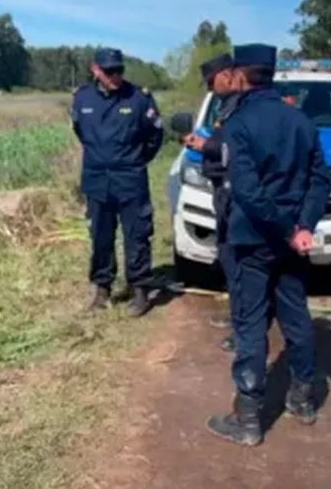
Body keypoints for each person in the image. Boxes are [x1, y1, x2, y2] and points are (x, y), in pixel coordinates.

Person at [207, 43, 331, 447]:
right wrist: (303, 226)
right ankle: (302, 400)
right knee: (297, 319)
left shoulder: (240, 123)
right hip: (292, 243)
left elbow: (248, 192)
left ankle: (248, 420)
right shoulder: (301, 121)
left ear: (241, 75)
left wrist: (284, 228)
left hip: (254, 241)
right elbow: (319, 181)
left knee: (250, 325)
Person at [70, 47, 166, 317]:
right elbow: (80, 131)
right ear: (95, 70)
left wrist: (134, 161)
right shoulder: (82, 98)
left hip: (130, 179)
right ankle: (102, 289)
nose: (115, 76)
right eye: (109, 71)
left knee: (136, 235)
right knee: (100, 236)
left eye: (119, 70)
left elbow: (155, 136)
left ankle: (139, 289)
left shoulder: (138, 98)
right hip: (97, 180)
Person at [183, 54, 243, 351]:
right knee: (228, 258)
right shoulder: (225, 105)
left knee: (238, 261)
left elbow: (235, 147)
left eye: (211, 82)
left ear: (226, 75)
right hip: (223, 192)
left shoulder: (242, 106)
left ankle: (243, 327)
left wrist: (205, 145)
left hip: (237, 196)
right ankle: (237, 317)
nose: (210, 88)